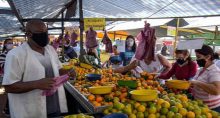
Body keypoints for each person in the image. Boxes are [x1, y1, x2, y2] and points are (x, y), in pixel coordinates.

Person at [2, 20, 75, 118]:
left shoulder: (50, 50)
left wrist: (67, 72)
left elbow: (58, 69)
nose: (44, 35)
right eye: (40, 33)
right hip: (30, 111)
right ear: (28, 34)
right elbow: (9, 87)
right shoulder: (15, 55)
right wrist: (36, 84)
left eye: (45, 32)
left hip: (54, 107)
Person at [190, 45, 220, 112]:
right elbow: (197, 83)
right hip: (200, 106)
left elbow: (216, 90)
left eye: (198, 57)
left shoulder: (214, 71)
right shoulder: (201, 70)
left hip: (211, 109)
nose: (197, 59)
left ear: (208, 57)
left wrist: (196, 82)